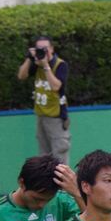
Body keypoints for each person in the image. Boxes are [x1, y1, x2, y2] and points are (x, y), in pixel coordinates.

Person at [17, 35, 71, 165]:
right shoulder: (36, 64)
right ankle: (46, 185)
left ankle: (63, 185)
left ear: (51, 49)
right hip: (41, 116)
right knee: (44, 158)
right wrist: (29, 58)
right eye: (39, 48)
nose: (42, 51)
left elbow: (56, 86)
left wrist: (46, 65)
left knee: (60, 157)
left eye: (45, 48)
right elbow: (21, 75)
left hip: (56, 118)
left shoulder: (60, 65)